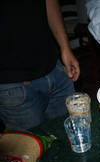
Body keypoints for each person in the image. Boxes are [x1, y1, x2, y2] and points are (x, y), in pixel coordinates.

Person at [0, 0, 80, 131]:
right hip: (12, 85)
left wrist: (65, 47)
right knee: (32, 147)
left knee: (69, 135)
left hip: (56, 69)